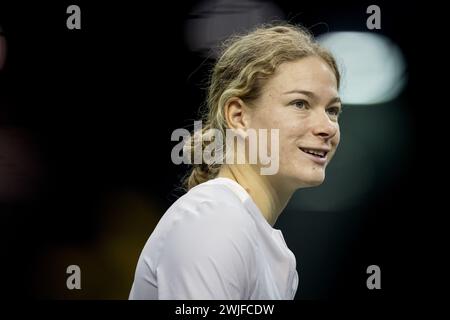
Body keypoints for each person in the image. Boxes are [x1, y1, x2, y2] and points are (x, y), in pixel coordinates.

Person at [129, 23, 342, 300]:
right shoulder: (214, 217)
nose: (327, 127)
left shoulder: (269, 249)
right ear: (238, 117)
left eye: (333, 110)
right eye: (300, 104)